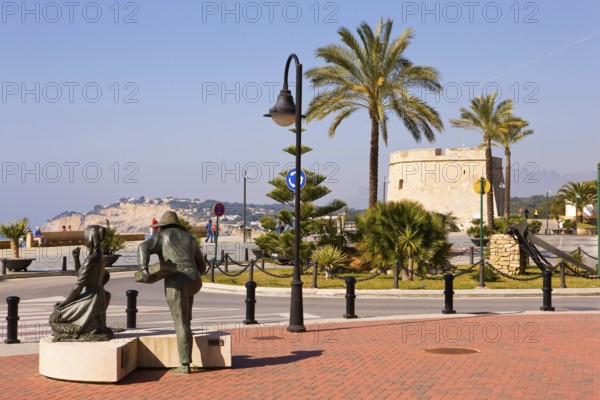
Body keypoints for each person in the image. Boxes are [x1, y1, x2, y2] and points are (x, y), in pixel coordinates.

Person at [138, 212, 206, 374]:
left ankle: (184, 364)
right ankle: (187, 355)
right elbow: (202, 267)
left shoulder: (162, 235)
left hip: (176, 279)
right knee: (186, 319)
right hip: (194, 279)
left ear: (161, 227)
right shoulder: (190, 238)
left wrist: (143, 268)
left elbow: (143, 247)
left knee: (180, 322)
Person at [49, 225, 113, 342]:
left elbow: (79, 286)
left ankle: (79, 331)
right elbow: (82, 274)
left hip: (90, 298)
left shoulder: (91, 259)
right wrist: (76, 259)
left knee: (54, 318)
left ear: (90, 237)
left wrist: (65, 304)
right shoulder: (99, 256)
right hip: (99, 296)